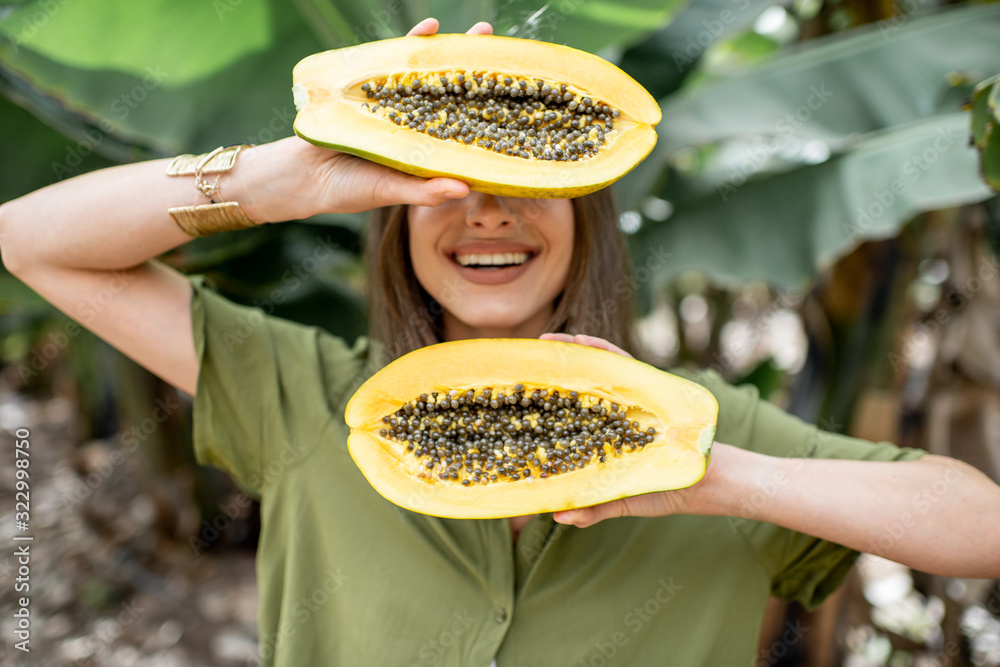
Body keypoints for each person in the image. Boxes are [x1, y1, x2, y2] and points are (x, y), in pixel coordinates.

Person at [2, 17, 998, 667]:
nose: (489, 217)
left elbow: (979, 530)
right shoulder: (302, 396)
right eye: (450, 189)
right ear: (397, 221)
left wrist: (717, 477)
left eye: (528, 187)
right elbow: (33, 243)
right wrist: (276, 179)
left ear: (588, 221)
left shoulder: (701, 432)